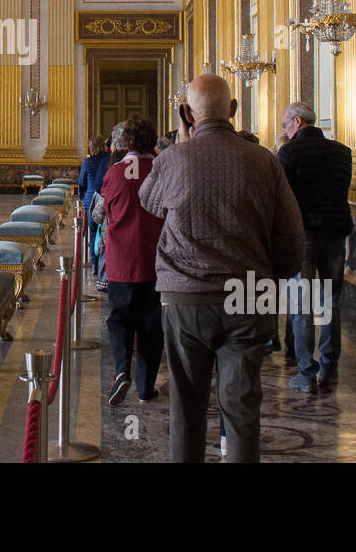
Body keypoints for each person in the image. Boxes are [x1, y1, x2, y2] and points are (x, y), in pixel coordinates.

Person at [139, 74, 305, 462]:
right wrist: (268, 280)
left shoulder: (171, 160)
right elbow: (293, 241)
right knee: (243, 409)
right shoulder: (264, 160)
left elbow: (150, 204)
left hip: (185, 299)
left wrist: (183, 147)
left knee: (186, 408)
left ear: (186, 114)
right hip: (249, 297)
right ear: (233, 110)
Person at [278, 101, 354, 391]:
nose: (284, 129)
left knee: (302, 306)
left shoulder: (290, 152)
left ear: (297, 121)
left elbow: (285, 199)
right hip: (335, 234)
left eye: (286, 124)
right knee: (331, 301)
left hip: (305, 235)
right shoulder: (342, 152)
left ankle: (306, 372)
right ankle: (330, 364)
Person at [97, 117, 165, 406]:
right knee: (151, 326)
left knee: (120, 319)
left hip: (122, 260)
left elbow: (99, 214)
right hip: (156, 261)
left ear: (125, 142)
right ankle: (145, 387)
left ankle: (121, 371)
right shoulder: (162, 170)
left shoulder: (114, 173)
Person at [77, 135, 110, 285]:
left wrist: (82, 197)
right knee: (105, 233)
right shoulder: (108, 160)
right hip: (105, 199)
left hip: (90, 201)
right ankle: (105, 264)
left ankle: (94, 264)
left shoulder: (87, 162)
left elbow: (81, 182)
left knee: (92, 233)